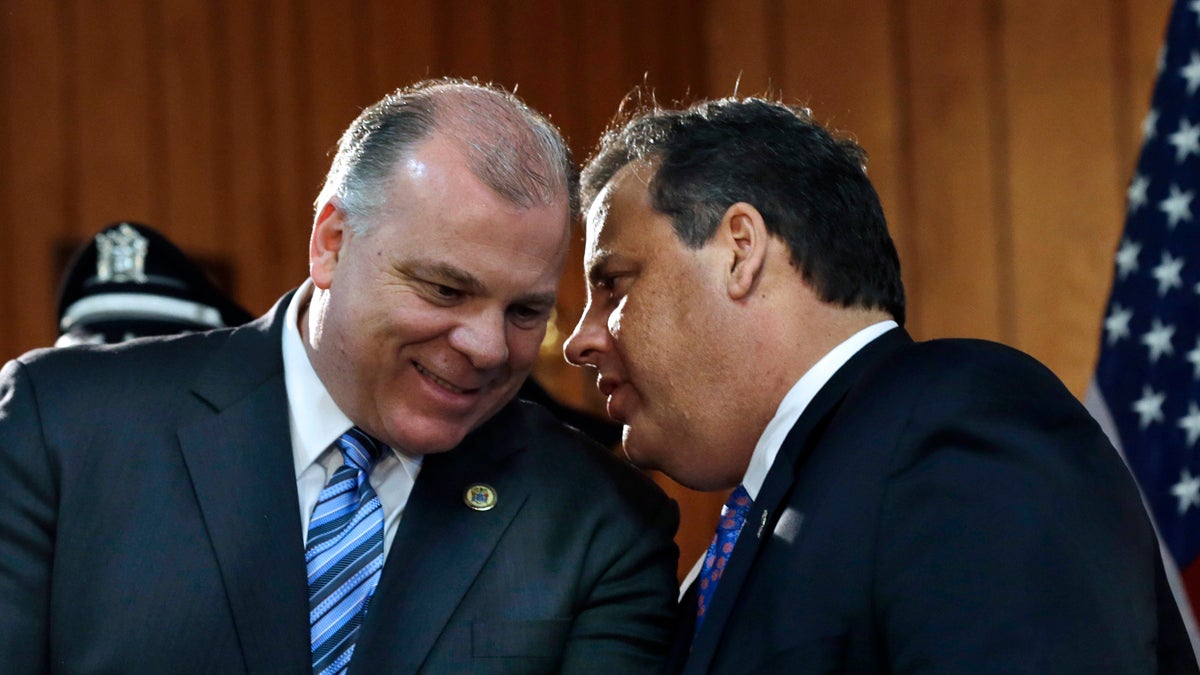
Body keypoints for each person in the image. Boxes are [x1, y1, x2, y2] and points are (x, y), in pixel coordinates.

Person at [0, 79, 680, 674]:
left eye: (526, 310)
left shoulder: (598, 522)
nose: (486, 346)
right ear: (331, 242)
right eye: (445, 289)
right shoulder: (64, 429)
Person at [563, 96, 1199, 673]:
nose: (580, 340)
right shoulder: (741, 544)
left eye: (614, 282)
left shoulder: (961, 417)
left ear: (739, 249)